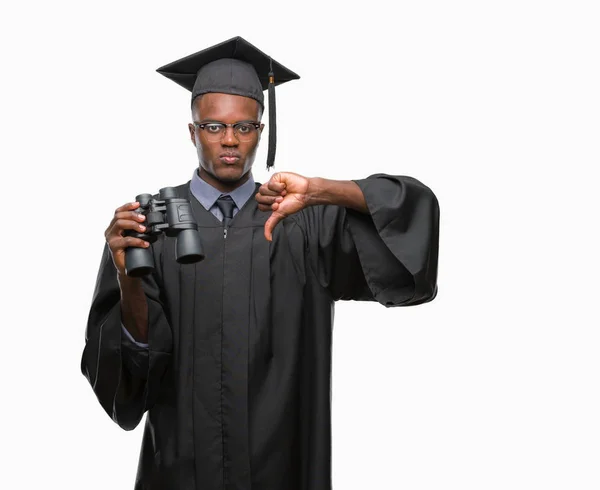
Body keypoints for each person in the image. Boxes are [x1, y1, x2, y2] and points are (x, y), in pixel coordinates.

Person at [81, 36, 440, 490]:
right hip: (180, 472)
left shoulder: (305, 222)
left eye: (244, 127)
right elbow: (128, 386)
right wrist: (128, 276)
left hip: (283, 470)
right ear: (192, 132)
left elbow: (413, 223)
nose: (229, 140)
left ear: (260, 131)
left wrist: (322, 190)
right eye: (213, 127)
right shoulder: (148, 226)